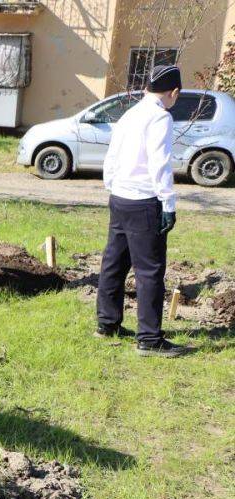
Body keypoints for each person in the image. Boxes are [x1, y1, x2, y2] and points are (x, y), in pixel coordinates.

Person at [97, 65, 188, 358]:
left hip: (120, 196)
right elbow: (159, 163)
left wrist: (111, 184)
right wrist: (168, 203)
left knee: (115, 262)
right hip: (144, 200)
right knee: (150, 271)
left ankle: (107, 324)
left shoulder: (131, 112)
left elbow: (112, 154)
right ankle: (149, 339)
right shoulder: (160, 117)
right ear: (173, 92)